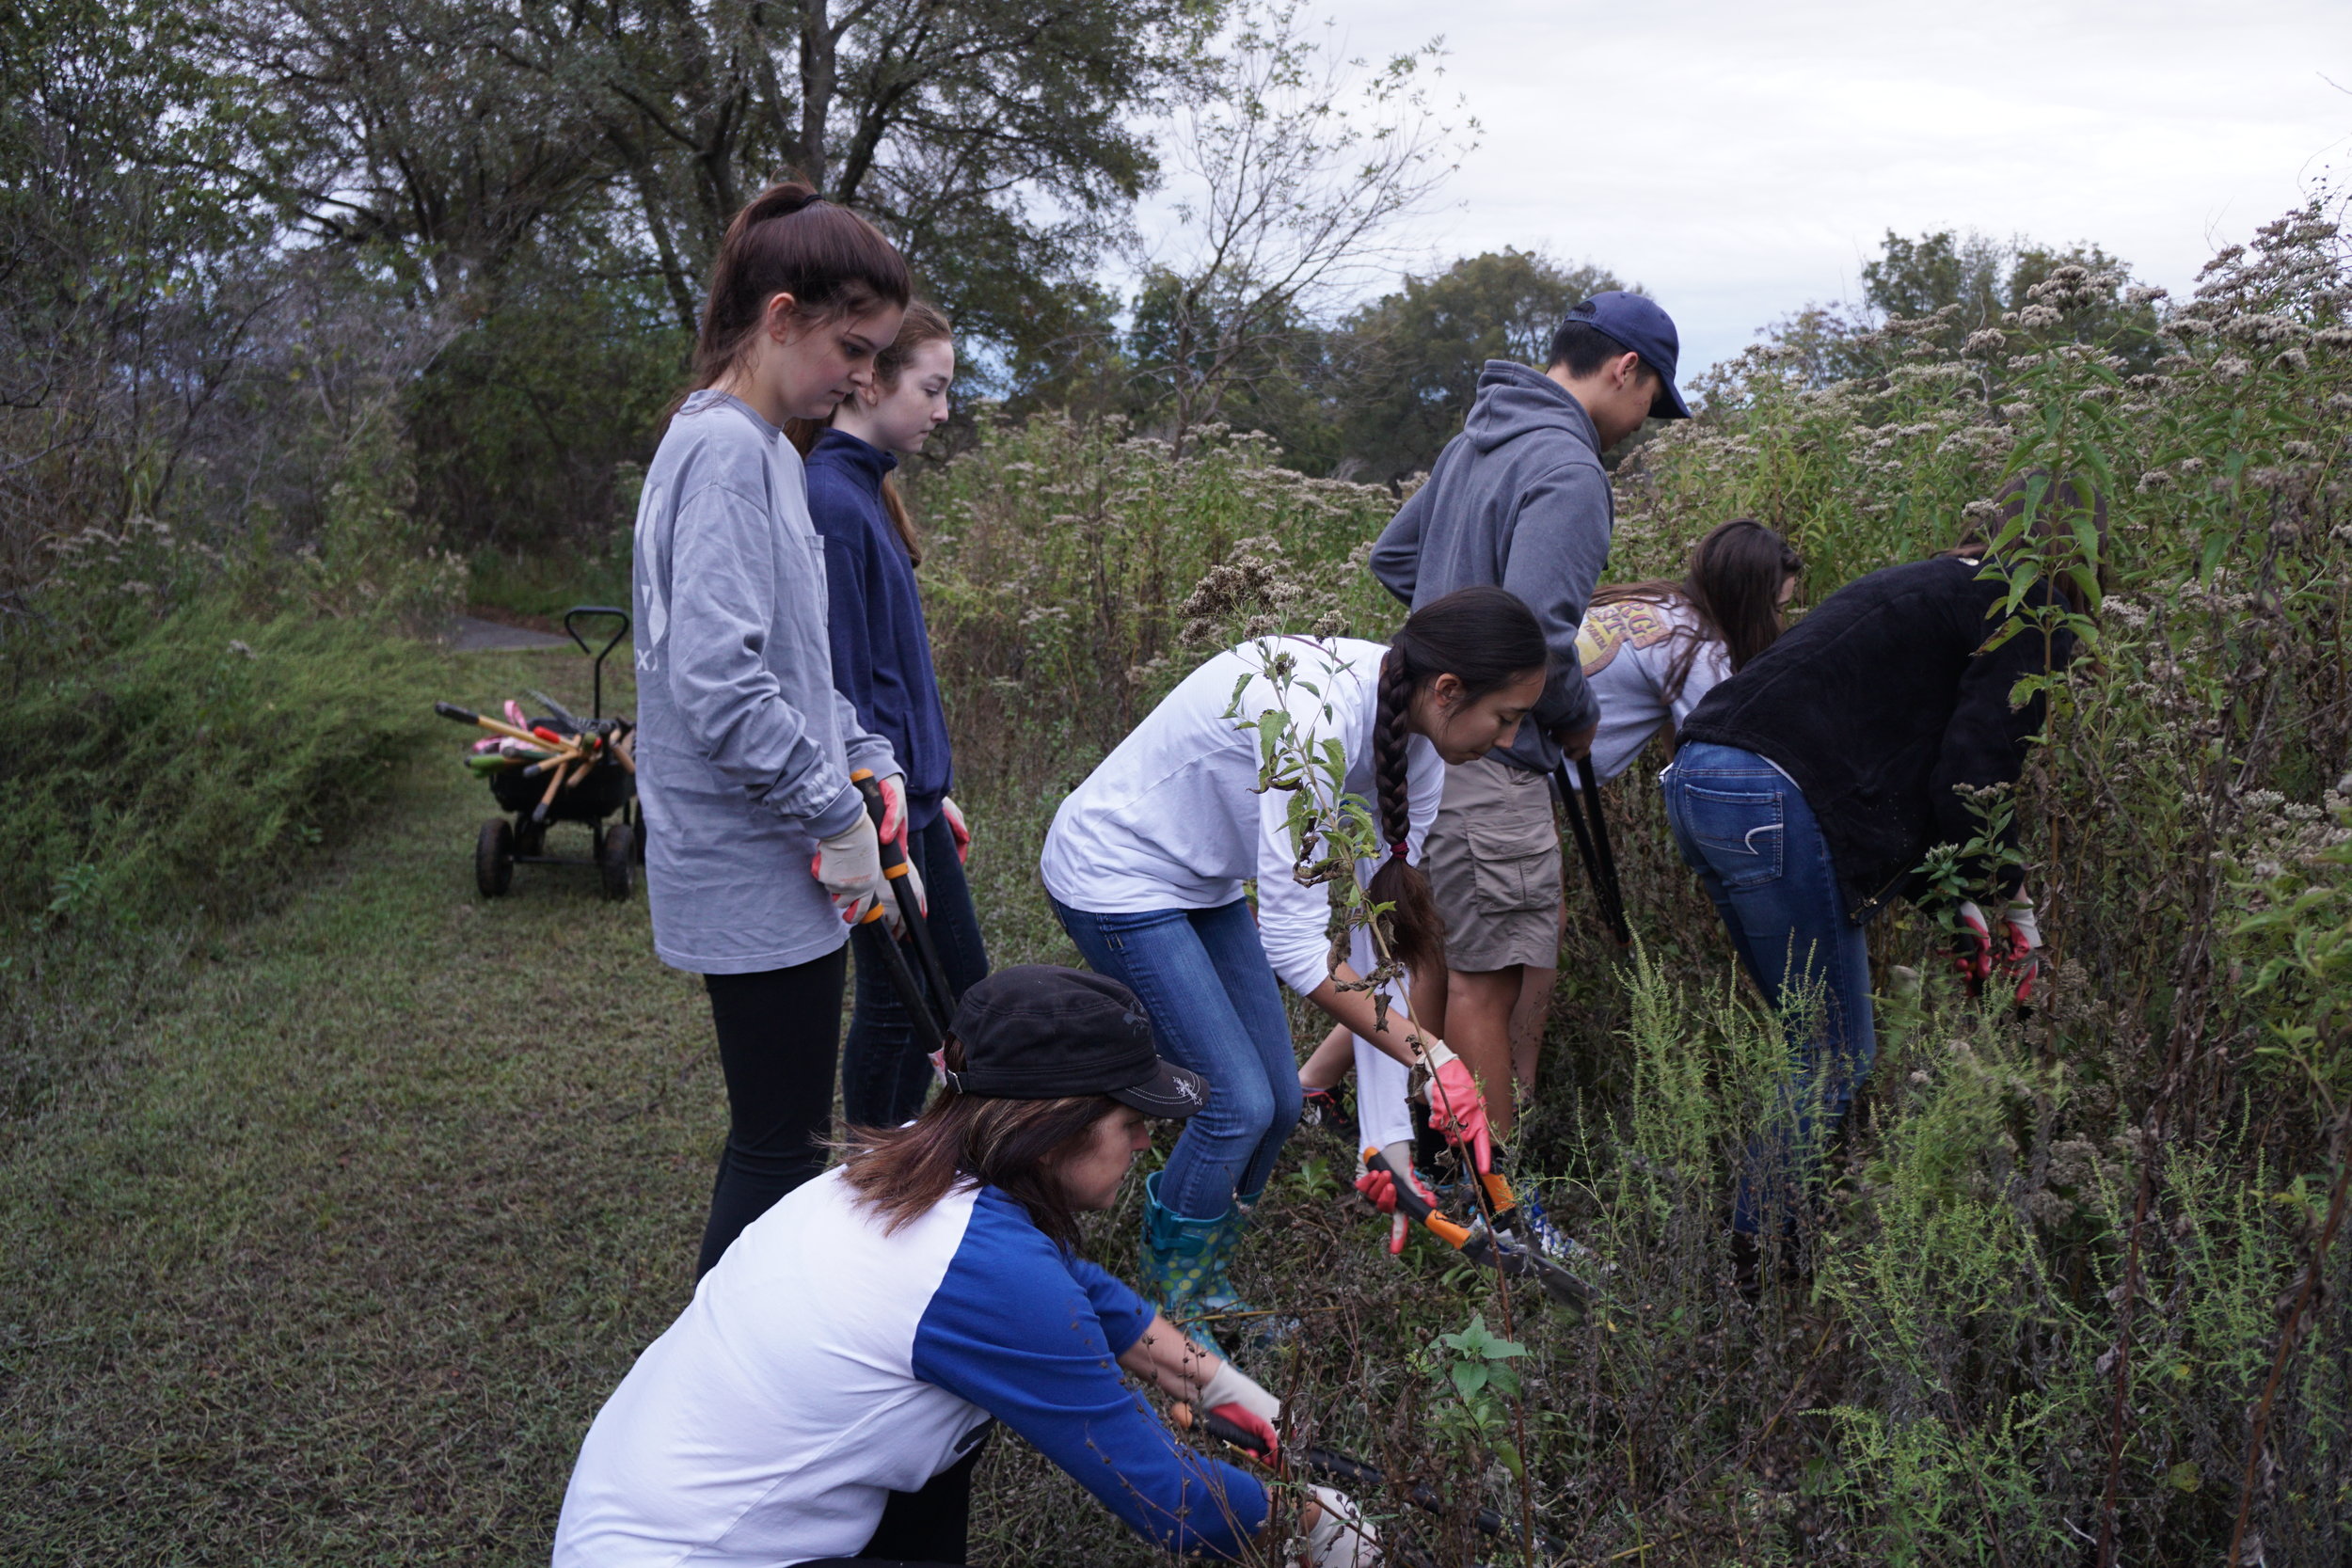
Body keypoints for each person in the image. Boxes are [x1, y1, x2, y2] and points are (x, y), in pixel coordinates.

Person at [552, 965, 1378, 1568]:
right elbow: (1169, 1499)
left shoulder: (916, 1172)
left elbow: (1084, 1292)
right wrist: (1314, 1523)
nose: (1146, 1139)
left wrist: (1230, 1395)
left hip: (629, 1521)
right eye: (1131, 1119)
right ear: (1055, 1126)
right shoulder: (991, 1278)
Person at [1041, 588, 1549, 1348]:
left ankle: (1209, 1281)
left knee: (1279, 1101)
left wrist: (1390, 1145)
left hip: (1201, 881)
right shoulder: (1311, 724)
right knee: (1234, 1106)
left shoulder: (1420, 747)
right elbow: (1295, 947)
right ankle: (1175, 1313)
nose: (1508, 738)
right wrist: (1432, 1054)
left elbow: (1378, 948)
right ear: (1449, 691)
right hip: (1115, 874)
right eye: (1505, 717)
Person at [1302, 518, 1804, 1213]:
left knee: (1446, 951)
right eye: (1778, 606)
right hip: (1501, 780)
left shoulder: (1652, 606)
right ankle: (1494, 1181)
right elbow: (1714, 760)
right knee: (1489, 969)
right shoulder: (1703, 651)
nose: (1779, 620)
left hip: (1487, 776)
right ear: (1750, 600)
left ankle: (1322, 1085)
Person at [1666, 475, 2096, 1259]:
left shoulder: (1927, 583)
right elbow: (1975, 778)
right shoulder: (2032, 611)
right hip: (1770, 795)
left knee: (1808, 1041)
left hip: (1699, 779)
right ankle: (1757, 1262)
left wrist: (1954, 905)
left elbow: (1897, 772)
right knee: (1831, 1052)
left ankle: (1770, 1244)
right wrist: (2016, 908)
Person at [630, 181, 917, 1277]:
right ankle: (716, 1390)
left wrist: (867, 764)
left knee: (787, 1139)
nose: (863, 377)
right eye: (853, 347)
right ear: (780, 315)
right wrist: (828, 808)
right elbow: (716, 681)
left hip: (787, 849)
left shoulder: (767, 451)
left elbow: (798, 667)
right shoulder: (724, 454)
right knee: (776, 1148)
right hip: (753, 861)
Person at [1369, 292, 1691, 1145]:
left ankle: (1428, 1160)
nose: (1642, 420)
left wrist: (1452, 633)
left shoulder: (1479, 434)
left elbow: (1394, 557)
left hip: (1431, 749)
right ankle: (1500, 1209)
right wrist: (1575, 715)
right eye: (1651, 398)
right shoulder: (1569, 468)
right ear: (1626, 368)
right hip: (1497, 761)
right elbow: (1544, 634)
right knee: (1489, 981)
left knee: (1435, 957)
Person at [789, 302, 989, 1127]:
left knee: (933, 1002)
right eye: (932, 388)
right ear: (868, 381)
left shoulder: (866, 493)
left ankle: (894, 1168)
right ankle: (879, 1173)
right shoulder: (832, 502)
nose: (944, 411)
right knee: (920, 1002)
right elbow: (836, 685)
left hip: (911, 802)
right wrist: (891, 801)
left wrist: (932, 785)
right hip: (882, 811)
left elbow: (893, 676)